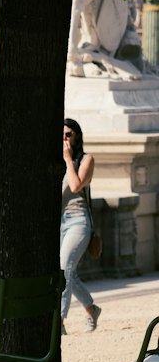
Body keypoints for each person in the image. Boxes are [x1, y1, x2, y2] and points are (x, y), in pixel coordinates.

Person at [60, 117, 101, 332]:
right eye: (62, 135)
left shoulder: (86, 160)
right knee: (69, 272)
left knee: (64, 269)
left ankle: (58, 321)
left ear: (77, 136)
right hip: (59, 222)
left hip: (78, 220)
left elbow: (75, 186)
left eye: (69, 134)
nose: (65, 139)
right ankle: (91, 308)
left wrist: (68, 160)